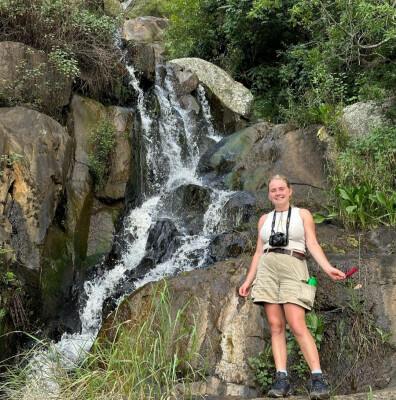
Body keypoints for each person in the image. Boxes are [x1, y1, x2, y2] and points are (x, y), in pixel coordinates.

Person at [239, 175, 345, 400]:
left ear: (289, 191)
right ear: (269, 194)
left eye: (281, 189)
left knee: (297, 324)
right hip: (267, 269)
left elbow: (312, 244)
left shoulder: (302, 214)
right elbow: (258, 252)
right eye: (273, 190)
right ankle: (281, 380)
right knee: (276, 326)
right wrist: (248, 281)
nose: (277, 193)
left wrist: (328, 268)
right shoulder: (264, 220)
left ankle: (318, 379)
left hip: (293, 266)